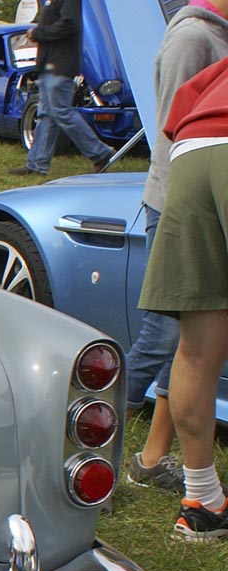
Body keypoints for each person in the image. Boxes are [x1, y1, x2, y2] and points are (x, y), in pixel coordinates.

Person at [125, 0, 228, 493]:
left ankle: (150, 460)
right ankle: (88, 445)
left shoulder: (216, 36)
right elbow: (172, 128)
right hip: (175, 200)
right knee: (162, 337)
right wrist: (176, 206)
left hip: (194, 194)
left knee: (188, 342)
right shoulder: (191, 38)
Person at [9, 0, 114, 176]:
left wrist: (38, 32)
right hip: (50, 65)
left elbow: (69, 24)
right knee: (46, 115)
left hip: (60, 65)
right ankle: (36, 165)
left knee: (60, 111)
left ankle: (100, 152)